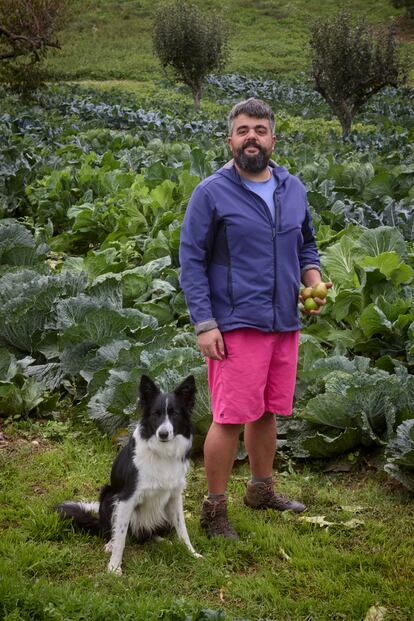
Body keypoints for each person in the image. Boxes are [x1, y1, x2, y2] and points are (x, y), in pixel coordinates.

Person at [179, 97, 329, 540]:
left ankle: (261, 491)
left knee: (266, 412)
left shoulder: (292, 187)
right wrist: (205, 324)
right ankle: (213, 509)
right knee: (229, 417)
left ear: (272, 140)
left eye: (259, 130)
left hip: (284, 320)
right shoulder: (211, 193)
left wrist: (313, 281)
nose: (251, 138)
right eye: (243, 130)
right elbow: (191, 261)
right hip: (236, 324)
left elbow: (307, 244)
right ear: (230, 139)